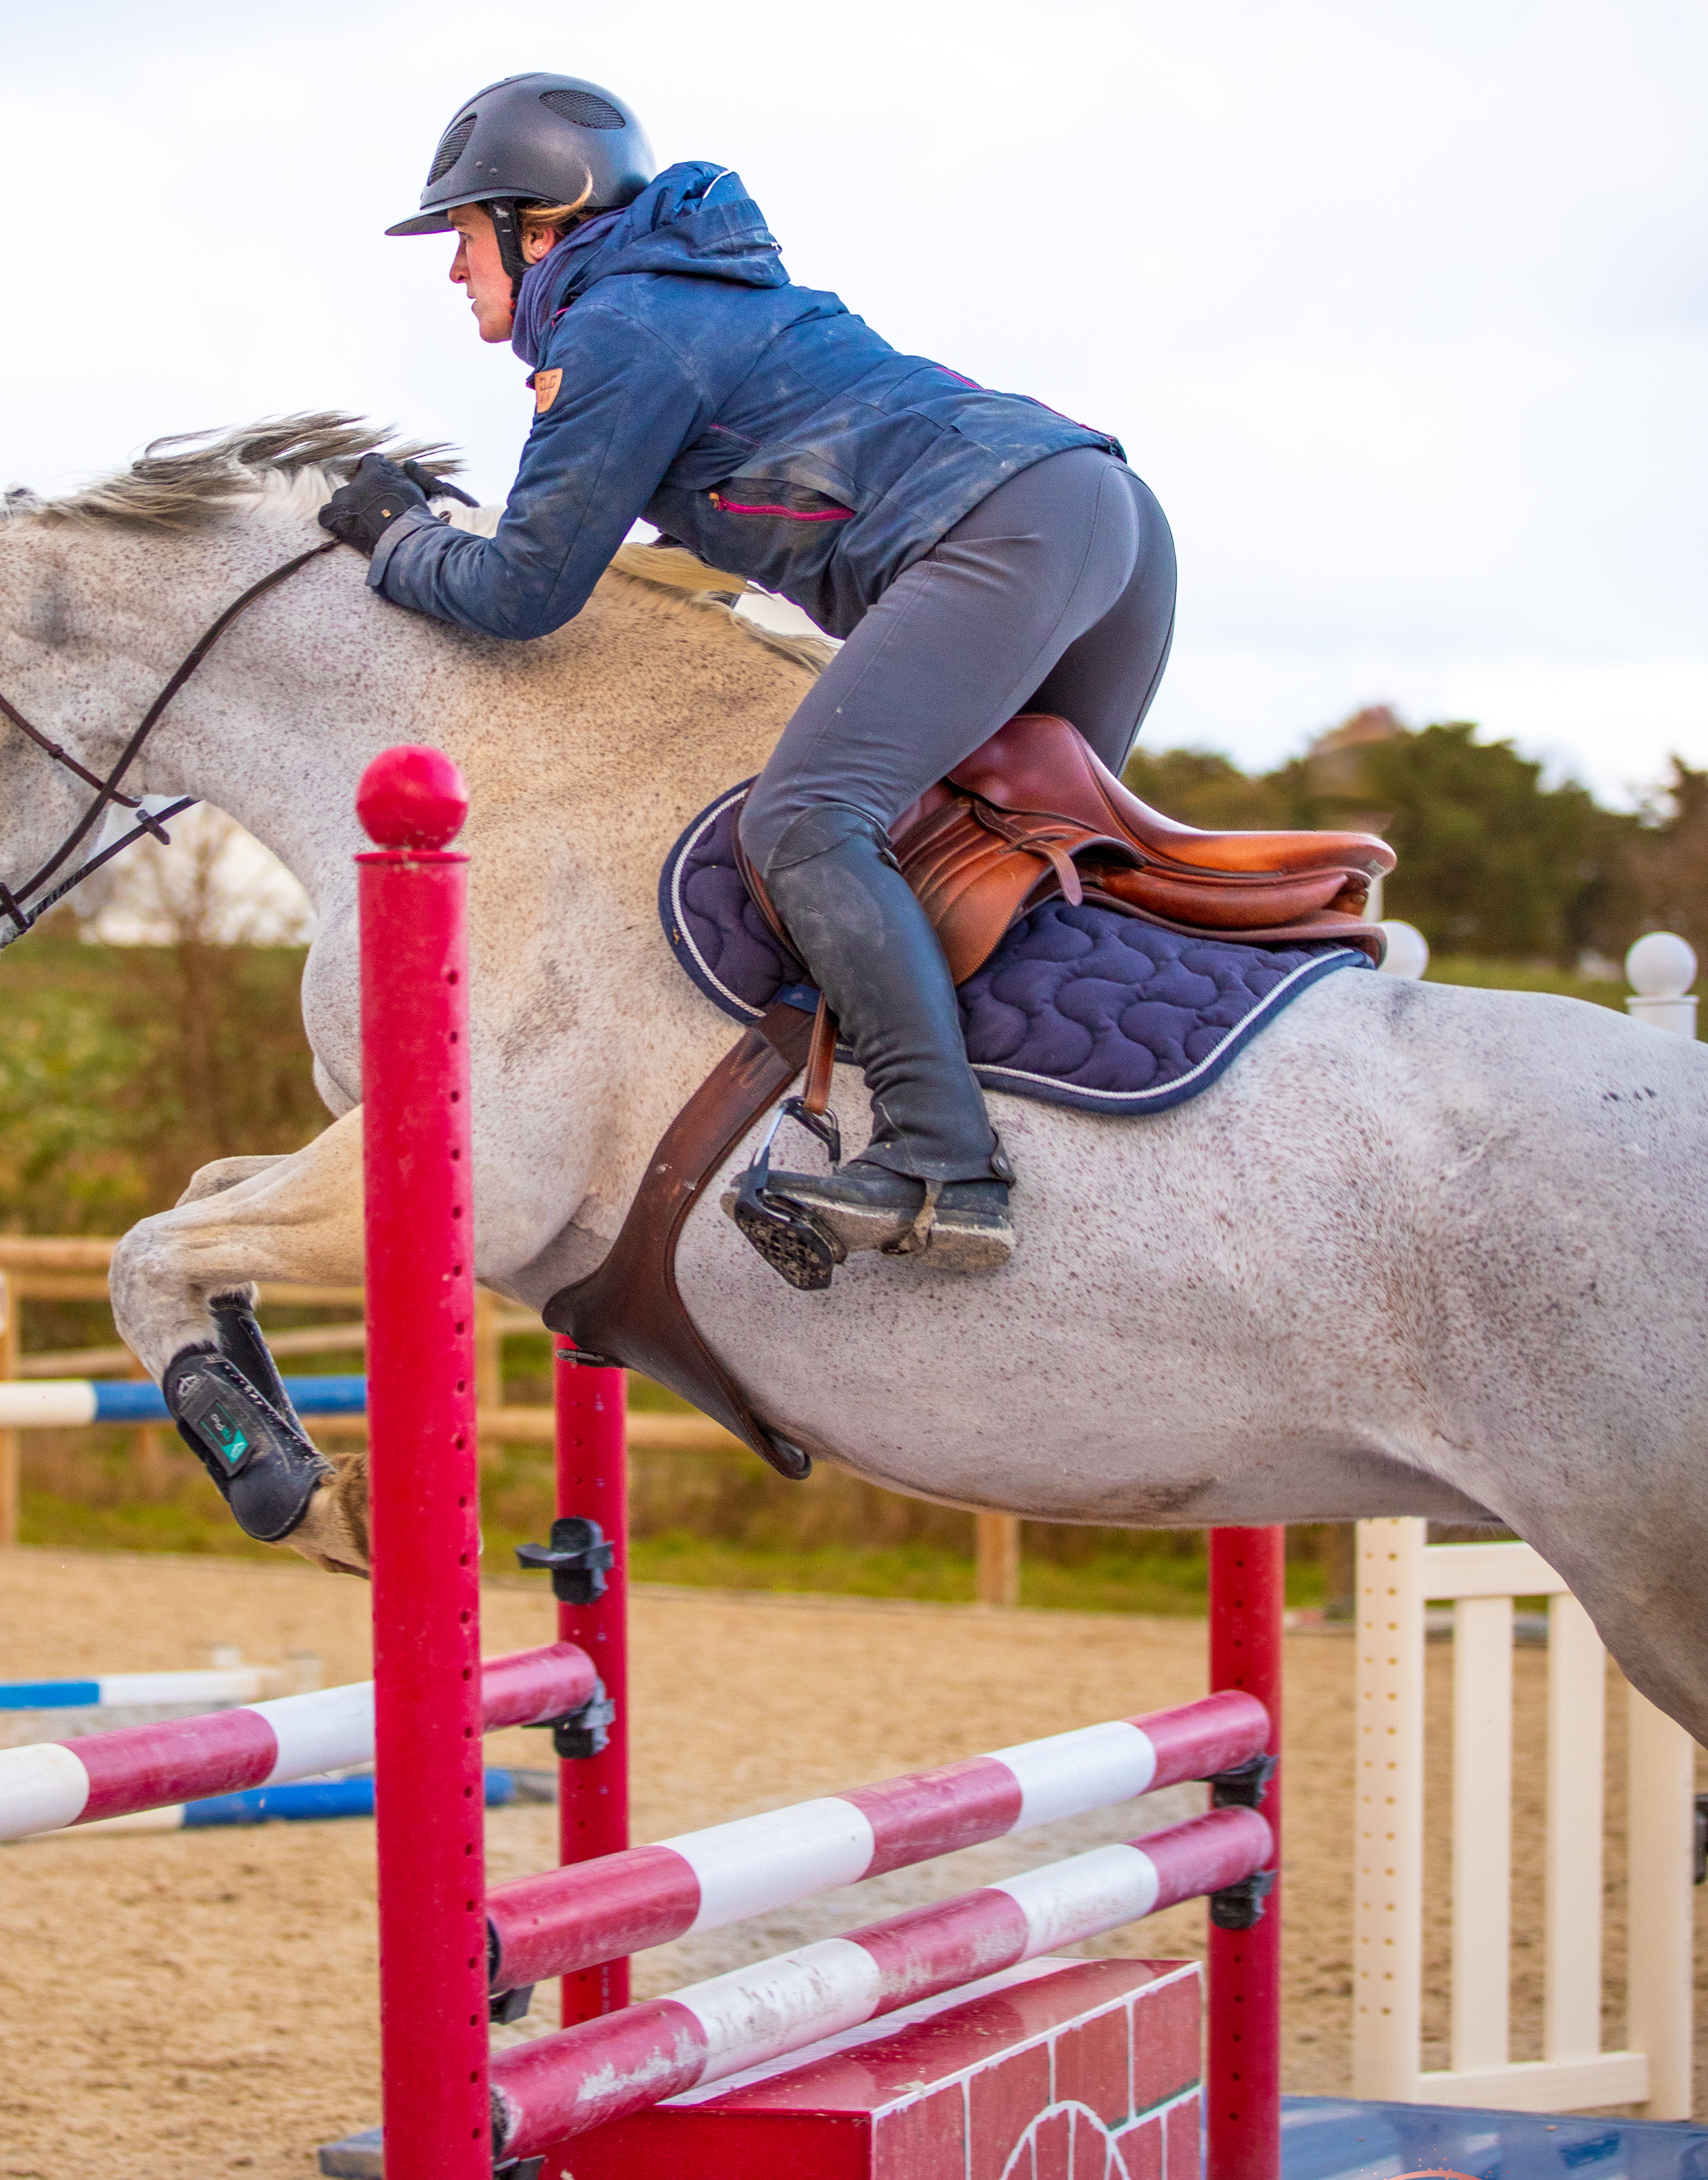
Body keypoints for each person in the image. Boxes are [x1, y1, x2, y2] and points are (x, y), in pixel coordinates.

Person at [318, 73, 1177, 1277]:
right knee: (996, 853)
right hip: (1103, 517)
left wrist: (398, 542)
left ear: (542, 221)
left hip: (1005, 530)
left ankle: (944, 1162)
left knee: (806, 822)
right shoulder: (694, 300)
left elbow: (521, 593)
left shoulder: (617, 327)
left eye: (462, 234)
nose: (451, 269)